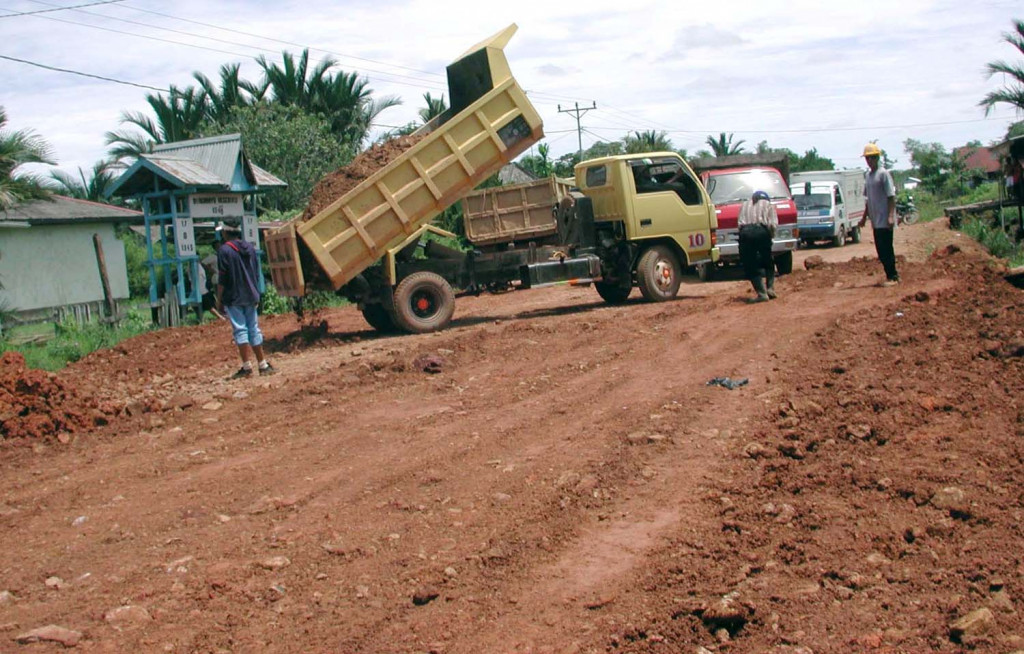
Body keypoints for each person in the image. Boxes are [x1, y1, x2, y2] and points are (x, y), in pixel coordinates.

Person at [216, 225, 275, 378]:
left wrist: (219, 298)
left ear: (225, 232)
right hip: (250, 294)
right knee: (253, 328)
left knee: (240, 330)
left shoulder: (224, 251)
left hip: (234, 296)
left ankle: (246, 366)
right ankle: (263, 364)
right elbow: (256, 273)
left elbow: (223, 278)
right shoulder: (250, 248)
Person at [859, 143, 899, 286]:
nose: (868, 161)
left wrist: (890, 216)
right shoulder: (869, 176)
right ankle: (889, 275)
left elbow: (891, 197)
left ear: (877, 158)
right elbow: (868, 200)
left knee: (887, 248)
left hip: (885, 219)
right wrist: (864, 218)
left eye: (871, 158)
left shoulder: (883, 174)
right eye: (867, 158)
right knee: (880, 250)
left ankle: (893, 276)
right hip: (876, 221)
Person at [737, 189, 779, 303]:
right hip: (762, 231)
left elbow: (740, 224)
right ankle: (770, 288)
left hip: (746, 232)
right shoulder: (769, 205)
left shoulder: (744, 205)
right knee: (768, 261)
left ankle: (761, 293)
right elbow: (772, 224)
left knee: (750, 264)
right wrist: (770, 237)